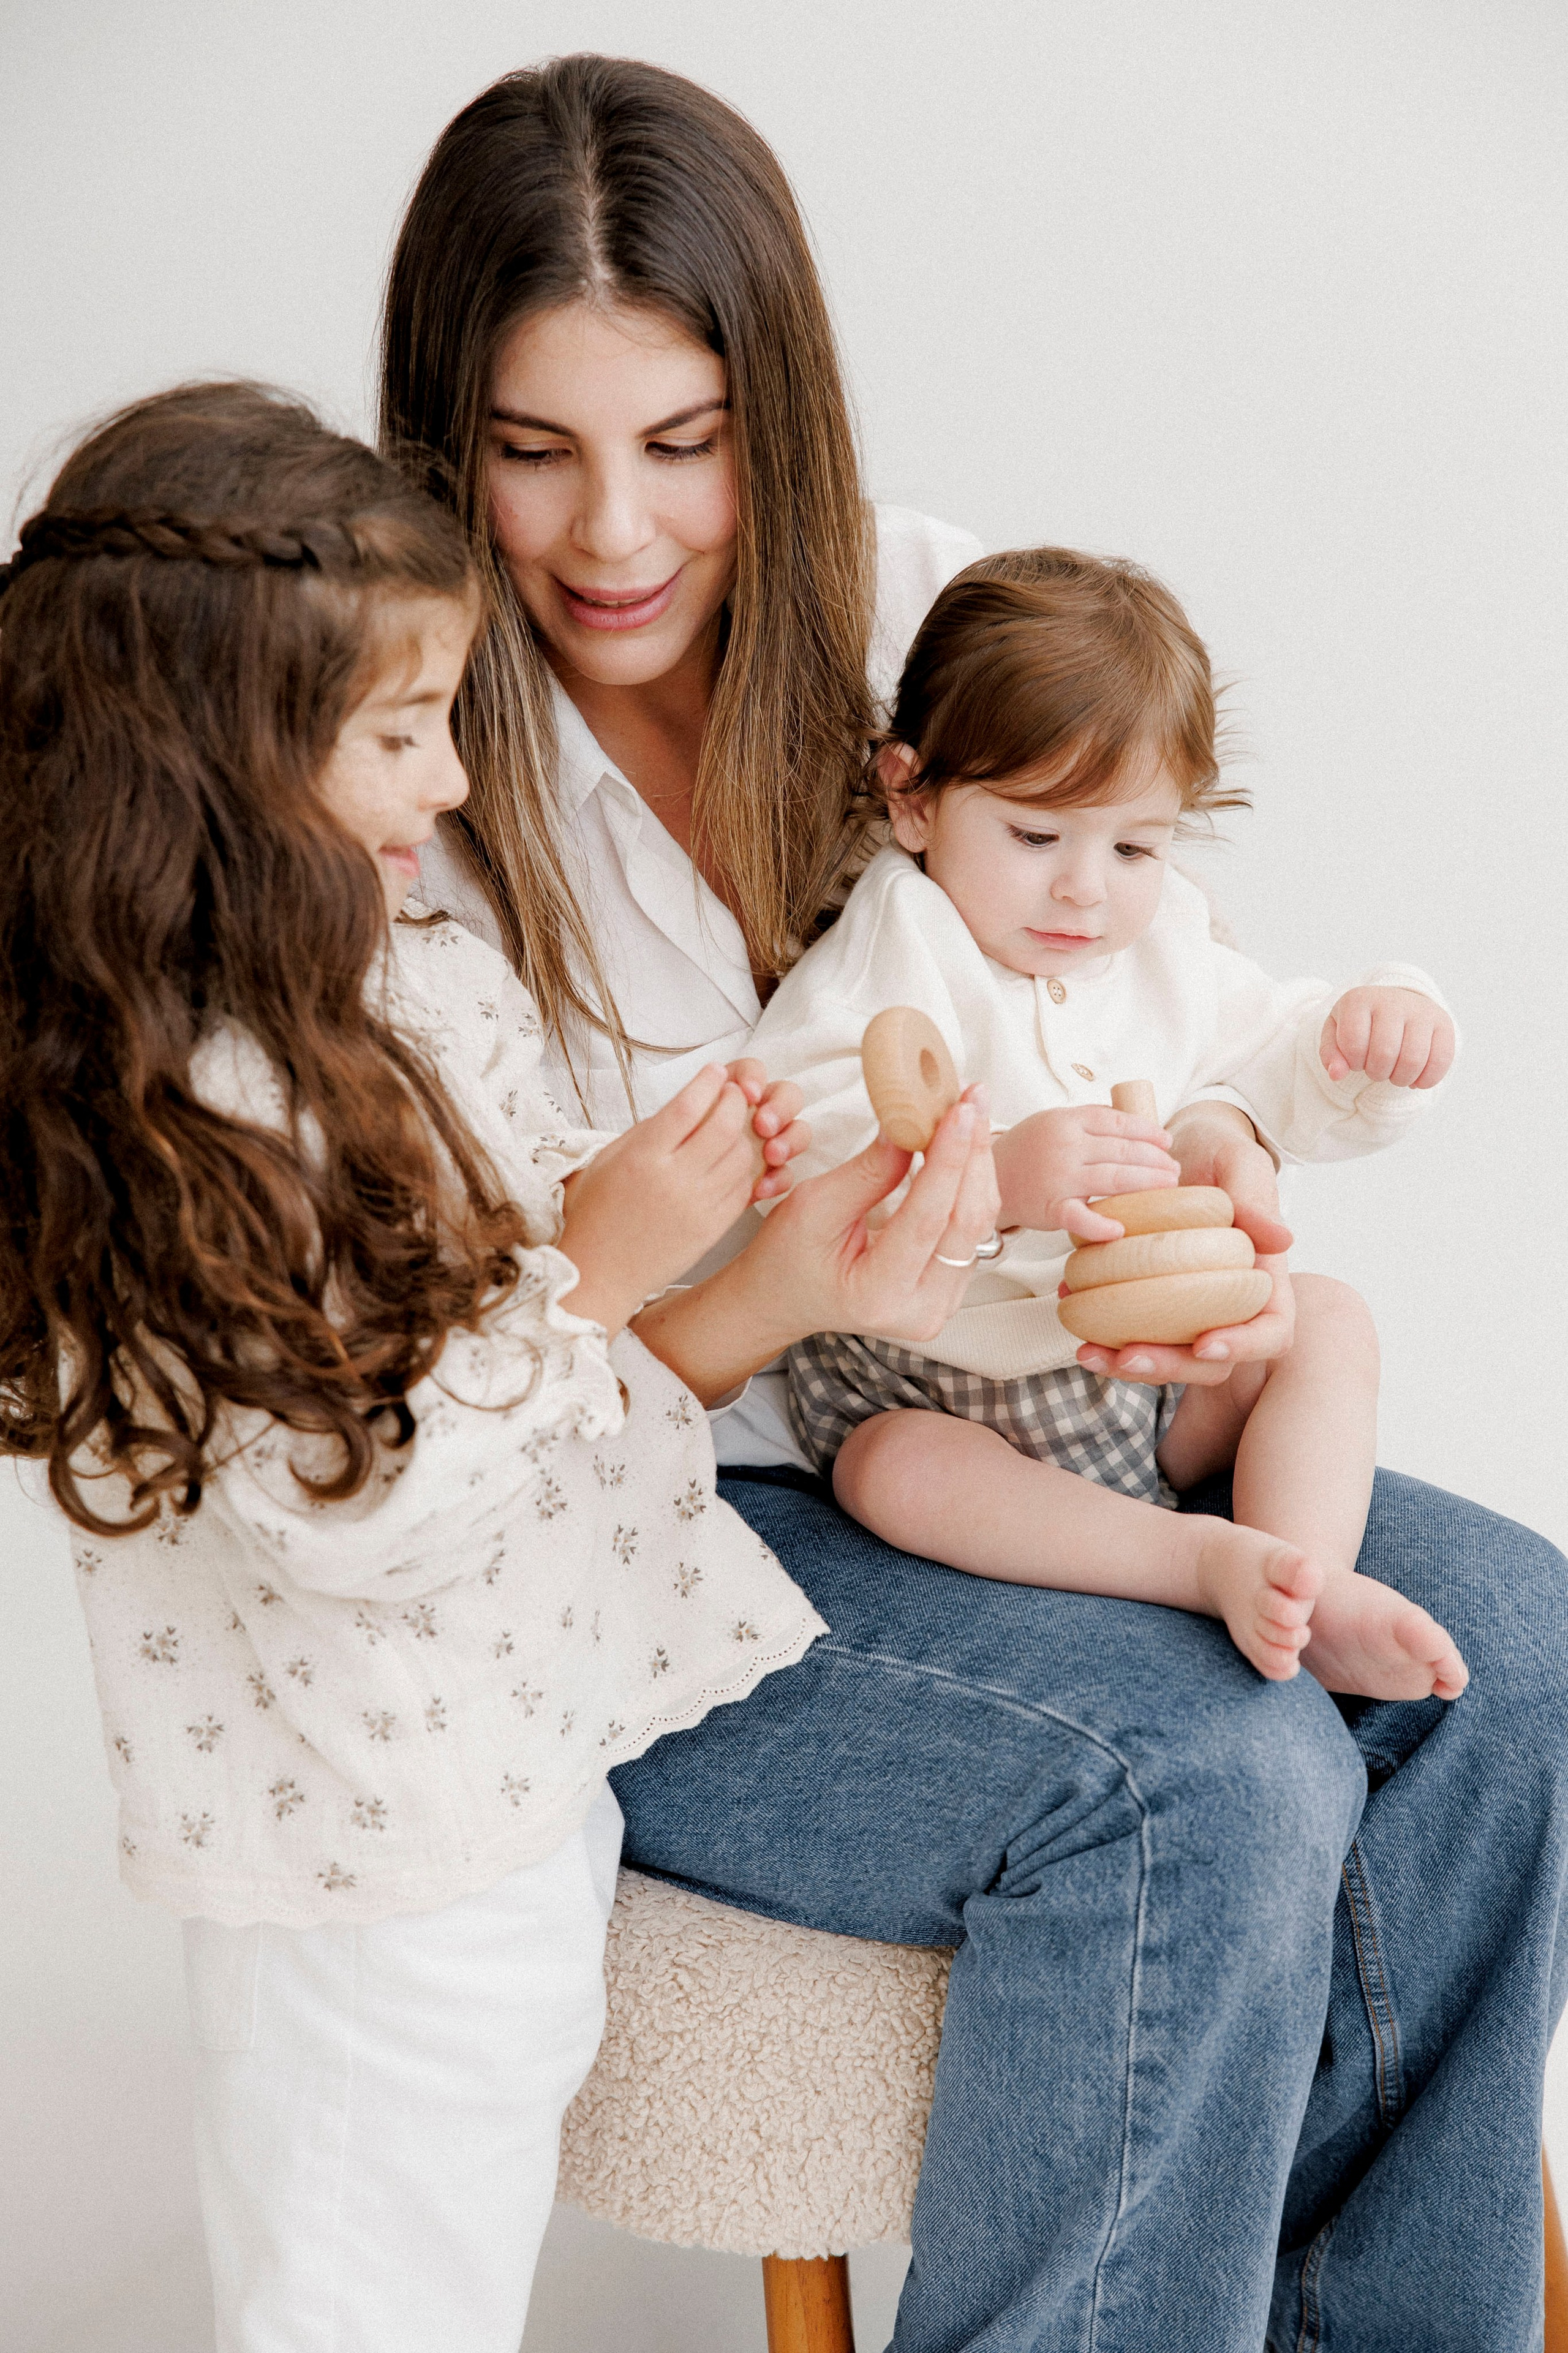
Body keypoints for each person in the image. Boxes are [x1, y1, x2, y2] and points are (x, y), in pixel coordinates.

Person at [383, 53, 1568, 2353]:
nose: (614, 532)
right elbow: (459, 1406)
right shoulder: (407, 781)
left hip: (1035, 1404)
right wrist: (782, 1277)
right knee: (1205, 1772)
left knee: (1512, 1643)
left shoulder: (926, 615)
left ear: (778, 412)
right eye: (534, 452)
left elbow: (1157, 979)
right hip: (676, 1519)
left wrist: (1209, 1189)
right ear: (449, 447)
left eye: (685, 442)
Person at [0, 381, 999, 2352]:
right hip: (374, 1861)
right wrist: (591, 1260)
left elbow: (568, 1400)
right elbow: (359, 1509)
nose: (453, 783)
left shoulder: (414, 987)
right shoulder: (186, 1118)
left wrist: (772, 1278)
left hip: (522, 1785)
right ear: (205, 762)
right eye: (398, 733)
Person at [753, 546, 1468, 1704]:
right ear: (913, 797)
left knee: (1331, 1319)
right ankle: (1202, 1559)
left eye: (1134, 846)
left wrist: (1369, 1029)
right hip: (941, 1381)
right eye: (1037, 837)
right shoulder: (895, 946)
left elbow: (1264, 1056)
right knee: (890, 1472)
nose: (1087, 889)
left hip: (1141, 1375)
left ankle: (1308, 1577)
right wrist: (995, 1175)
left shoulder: (1167, 935)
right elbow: (809, 1137)